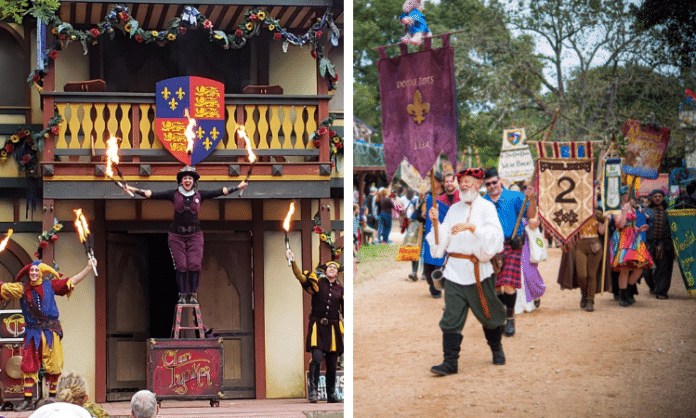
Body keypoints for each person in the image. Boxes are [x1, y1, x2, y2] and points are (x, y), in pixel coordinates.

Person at [124, 165, 247, 304]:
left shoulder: (200, 195)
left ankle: (192, 294)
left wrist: (238, 187)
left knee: (194, 264)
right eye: (185, 178)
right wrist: (132, 189)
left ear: (194, 181)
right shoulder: (173, 194)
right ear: (181, 181)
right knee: (181, 265)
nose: (187, 181)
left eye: (190, 178)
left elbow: (220, 192)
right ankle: (182, 294)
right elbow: (150, 194)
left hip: (195, 235)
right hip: (176, 236)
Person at [426, 168, 506, 375]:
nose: (463, 185)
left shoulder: (487, 208)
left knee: (489, 316)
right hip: (454, 271)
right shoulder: (453, 210)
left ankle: (496, 349)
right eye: (461, 181)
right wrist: (435, 223)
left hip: (479, 271)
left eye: (468, 181)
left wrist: (472, 228)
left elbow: (496, 238)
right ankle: (450, 362)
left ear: (478, 185)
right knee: (451, 318)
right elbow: (441, 239)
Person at [0, 259, 96, 412]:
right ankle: (28, 401)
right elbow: (4, 288)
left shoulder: (50, 285)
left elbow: (72, 281)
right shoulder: (22, 289)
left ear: (41, 272)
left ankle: (52, 398)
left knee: (54, 366)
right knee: (28, 366)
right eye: (31, 271)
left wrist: (88, 268)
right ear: (28, 273)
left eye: (36, 271)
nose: (33, 273)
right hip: (32, 332)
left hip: (50, 332)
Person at [483, 167, 536, 337]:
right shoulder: (482, 202)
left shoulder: (515, 197)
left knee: (508, 283)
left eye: (494, 182)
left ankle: (510, 317)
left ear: (500, 181)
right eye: (488, 184)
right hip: (491, 248)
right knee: (496, 286)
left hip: (512, 245)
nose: (492, 186)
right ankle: (500, 318)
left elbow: (531, 214)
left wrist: (532, 198)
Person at [285, 250, 343, 403]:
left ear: (337, 273)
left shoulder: (340, 289)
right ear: (326, 271)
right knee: (316, 359)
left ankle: (331, 395)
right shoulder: (317, 283)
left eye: (334, 268)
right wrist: (293, 261)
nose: (331, 269)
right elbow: (300, 277)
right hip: (317, 326)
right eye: (329, 267)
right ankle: (313, 392)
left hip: (333, 328)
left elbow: (345, 310)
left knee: (332, 364)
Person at [610, 185, 653, 306]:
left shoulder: (633, 208)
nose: (628, 195)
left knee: (639, 268)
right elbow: (620, 224)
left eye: (630, 193)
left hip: (634, 238)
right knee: (624, 268)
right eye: (626, 193)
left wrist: (640, 229)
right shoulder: (617, 208)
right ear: (621, 195)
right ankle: (623, 296)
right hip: (623, 239)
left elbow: (633, 225)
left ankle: (628, 291)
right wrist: (624, 209)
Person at [411, 171, 447, 298]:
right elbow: (417, 215)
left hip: (445, 234)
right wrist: (421, 215)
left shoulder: (448, 197)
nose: (431, 184)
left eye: (434, 181)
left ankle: (443, 286)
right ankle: (433, 286)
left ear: (440, 182)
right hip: (430, 235)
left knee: (441, 262)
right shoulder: (428, 198)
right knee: (429, 264)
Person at [643, 189, 674, 299]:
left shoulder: (669, 211)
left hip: (664, 244)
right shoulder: (645, 210)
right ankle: (653, 286)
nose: (657, 198)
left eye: (660, 196)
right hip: (648, 244)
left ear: (663, 198)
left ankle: (661, 291)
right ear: (651, 198)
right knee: (646, 269)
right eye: (655, 196)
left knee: (663, 269)